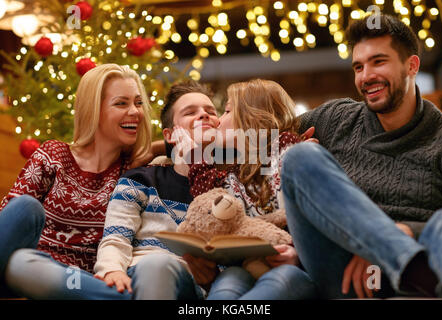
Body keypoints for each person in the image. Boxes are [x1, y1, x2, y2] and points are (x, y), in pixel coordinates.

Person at [280, 14, 442, 299]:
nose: (366, 76)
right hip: (345, 274)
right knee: (300, 156)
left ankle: (411, 269)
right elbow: (261, 136)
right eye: (358, 66)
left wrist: (397, 234)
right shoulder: (336, 119)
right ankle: (412, 269)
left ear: (412, 65)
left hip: (428, 268)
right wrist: (194, 141)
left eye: (378, 62)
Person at [0, 63, 154, 299]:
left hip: (79, 282)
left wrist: (161, 145)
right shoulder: (54, 155)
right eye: (121, 103)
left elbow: (186, 149)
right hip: (33, 267)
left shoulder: (135, 173)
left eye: (138, 102)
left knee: (26, 267)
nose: (135, 111)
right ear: (93, 110)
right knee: (25, 212)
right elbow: (10, 226)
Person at [185, 79, 318, 300]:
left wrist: (295, 250)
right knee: (227, 285)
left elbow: (305, 213)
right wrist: (199, 148)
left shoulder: (285, 147)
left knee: (277, 282)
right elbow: (208, 196)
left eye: (227, 111)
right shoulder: (237, 169)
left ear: (251, 117)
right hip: (244, 266)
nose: (219, 121)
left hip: (293, 266)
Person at [93, 80, 221, 299]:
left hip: (189, 284)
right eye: (190, 112)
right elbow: (117, 237)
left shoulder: (228, 187)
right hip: (138, 272)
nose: (204, 115)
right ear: (170, 135)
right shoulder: (141, 179)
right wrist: (112, 269)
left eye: (211, 111)